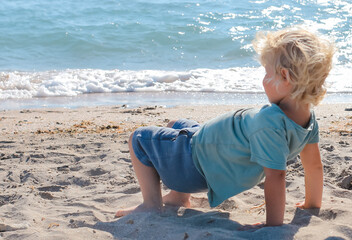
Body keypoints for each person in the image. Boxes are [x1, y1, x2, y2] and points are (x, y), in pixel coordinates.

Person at [115, 27, 335, 228]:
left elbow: (276, 177)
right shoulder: (308, 120)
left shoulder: (270, 122)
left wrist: (273, 225)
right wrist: (311, 204)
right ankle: (179, 197)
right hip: (205, 149)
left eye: (267, 74)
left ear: (285, 76)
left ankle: (151, 204)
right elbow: (314, 166)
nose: (263, 80)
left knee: (139, 137)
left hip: (195, 163)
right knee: (176, 125)